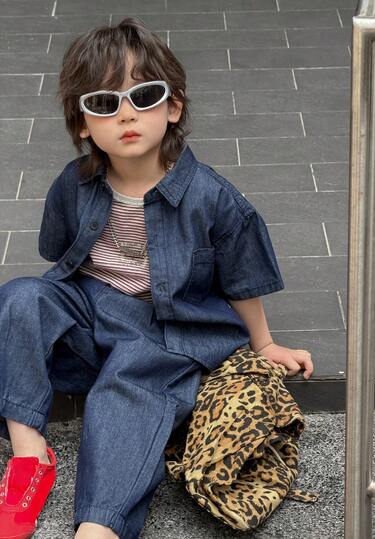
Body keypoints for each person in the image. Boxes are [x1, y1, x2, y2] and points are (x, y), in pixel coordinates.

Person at [0, 16, 313, 539]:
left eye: (144, 97)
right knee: (20, 297)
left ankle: (99, 525)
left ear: (173, 108)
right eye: (104, 103)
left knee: (128, 388)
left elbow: (243, 279)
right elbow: (57, 258)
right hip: (92, 310)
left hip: (167, 330)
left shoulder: (214, 198)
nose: (126, 114)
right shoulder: (72, 185)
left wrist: (264, 344)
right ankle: (29, 451)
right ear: (83, 124)